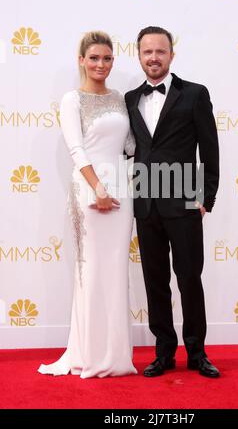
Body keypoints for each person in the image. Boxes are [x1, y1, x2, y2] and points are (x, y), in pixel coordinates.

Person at [38, 31, 137, 378]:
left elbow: (128, 145)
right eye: (94, 58)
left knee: (114, 271)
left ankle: (115, 354)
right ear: (81, 60)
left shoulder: (120, 98)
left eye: (107, 58)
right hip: (90, 192)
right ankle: (88, 353)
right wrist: (98, 189)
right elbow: (76, 149)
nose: (101, 64)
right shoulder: (72, 100)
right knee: (91, 270)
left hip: (122, 193)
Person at [125, 26, 220, 378]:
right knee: (154, 280)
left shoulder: (194, 94)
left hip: (183, 202)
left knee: (189, 278)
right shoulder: (130, 98)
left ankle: (197, 353)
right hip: (145, 203)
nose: (154, 57)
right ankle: (163, 352)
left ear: (171, 55)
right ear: (139, 55)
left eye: (160, 51)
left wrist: (206, 197)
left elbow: (209, 148)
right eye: (147, 52)